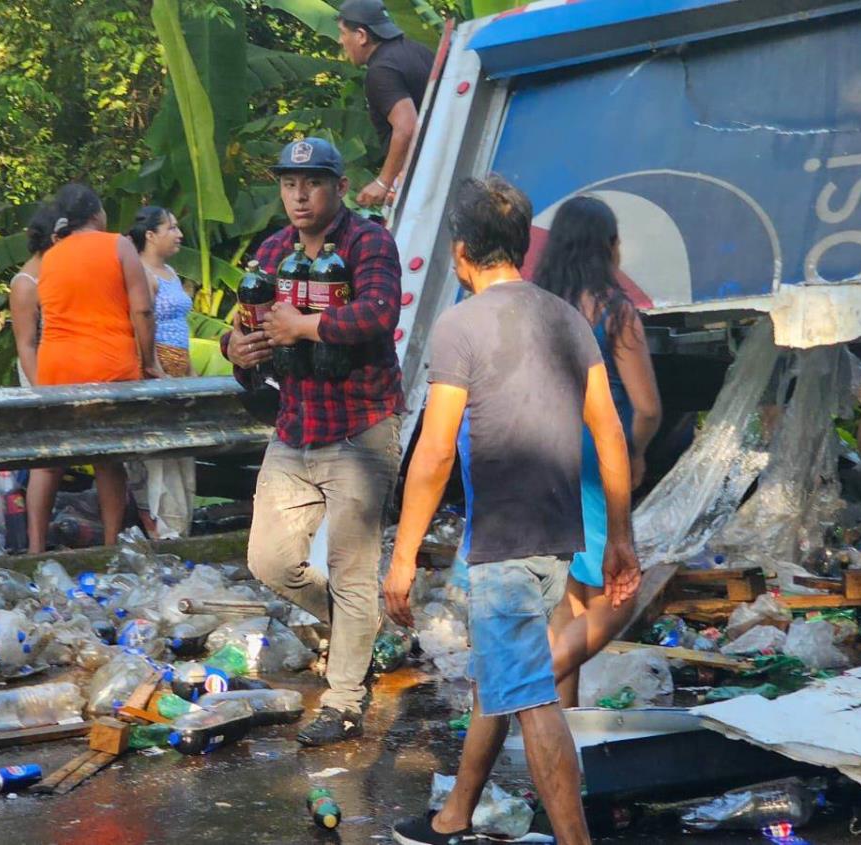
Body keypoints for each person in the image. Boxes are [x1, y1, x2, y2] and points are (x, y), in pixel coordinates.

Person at [383, 177, 640, 845]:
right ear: (520, 247)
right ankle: (453, 815)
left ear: (459, 251)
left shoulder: (459, 326)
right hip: (558, 536)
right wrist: (618, 536)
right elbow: (610, 433)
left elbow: (435, 452)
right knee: (506, 677)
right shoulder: (564, 318)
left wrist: (404, 554)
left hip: (502, 540)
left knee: (530, 695)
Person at [223, 138, 403, 746]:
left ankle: (345, 701)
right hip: (294, 426)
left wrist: (305, 325)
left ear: (339, 186)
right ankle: (360, 629)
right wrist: (236, 348)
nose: (299, 195)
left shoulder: (369, 241)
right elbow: (242, 323)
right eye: (288, 183)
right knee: (268, 561)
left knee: (354, 571)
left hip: (360, 427)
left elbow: (379, 314)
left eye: (312, 183)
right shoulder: (272, 250)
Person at [534, 195, 662, 706]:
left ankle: (561, 733)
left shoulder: (537, 304)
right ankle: (523, 684)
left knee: (571, 594)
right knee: (620, 590)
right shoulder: (614, 309)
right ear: (611, 247)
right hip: (594, 450)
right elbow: (648, 407)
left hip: (540, 448)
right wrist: (636, 451)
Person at [27, 183, 161, 554]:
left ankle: (34, 549)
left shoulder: (50, 256)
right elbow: (143, 308)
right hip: (108, 366)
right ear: (97, 214)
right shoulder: (117, 244)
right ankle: (109, 545)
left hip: (56, 369)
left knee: (48, 461)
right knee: (108, 458)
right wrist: (149, 361)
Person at [127, 206, 197, 539]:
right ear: (151, 235)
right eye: (171, 228)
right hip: (158, 368)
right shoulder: (141, 275)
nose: (179, 234)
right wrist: (154, 367)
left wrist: (192, 373)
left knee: (183, 452)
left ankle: (179, 526)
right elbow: (142, 324)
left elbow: (180, 325)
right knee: (161, 455)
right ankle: (162, 528)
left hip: (181, 366)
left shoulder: (168, 270)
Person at [337, 0, 434, 208]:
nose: (340, 41)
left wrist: (383, 182)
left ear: (361, 36)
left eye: (343, 33)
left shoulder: (380, 71)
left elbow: (407, 127)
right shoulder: (419, 51)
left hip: (424, 180)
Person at [9, 204, 59, 388]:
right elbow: (26, 345)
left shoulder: (60, 271)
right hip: (42, 381)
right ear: (55, 239)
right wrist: (43, 390)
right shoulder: (26, 284)